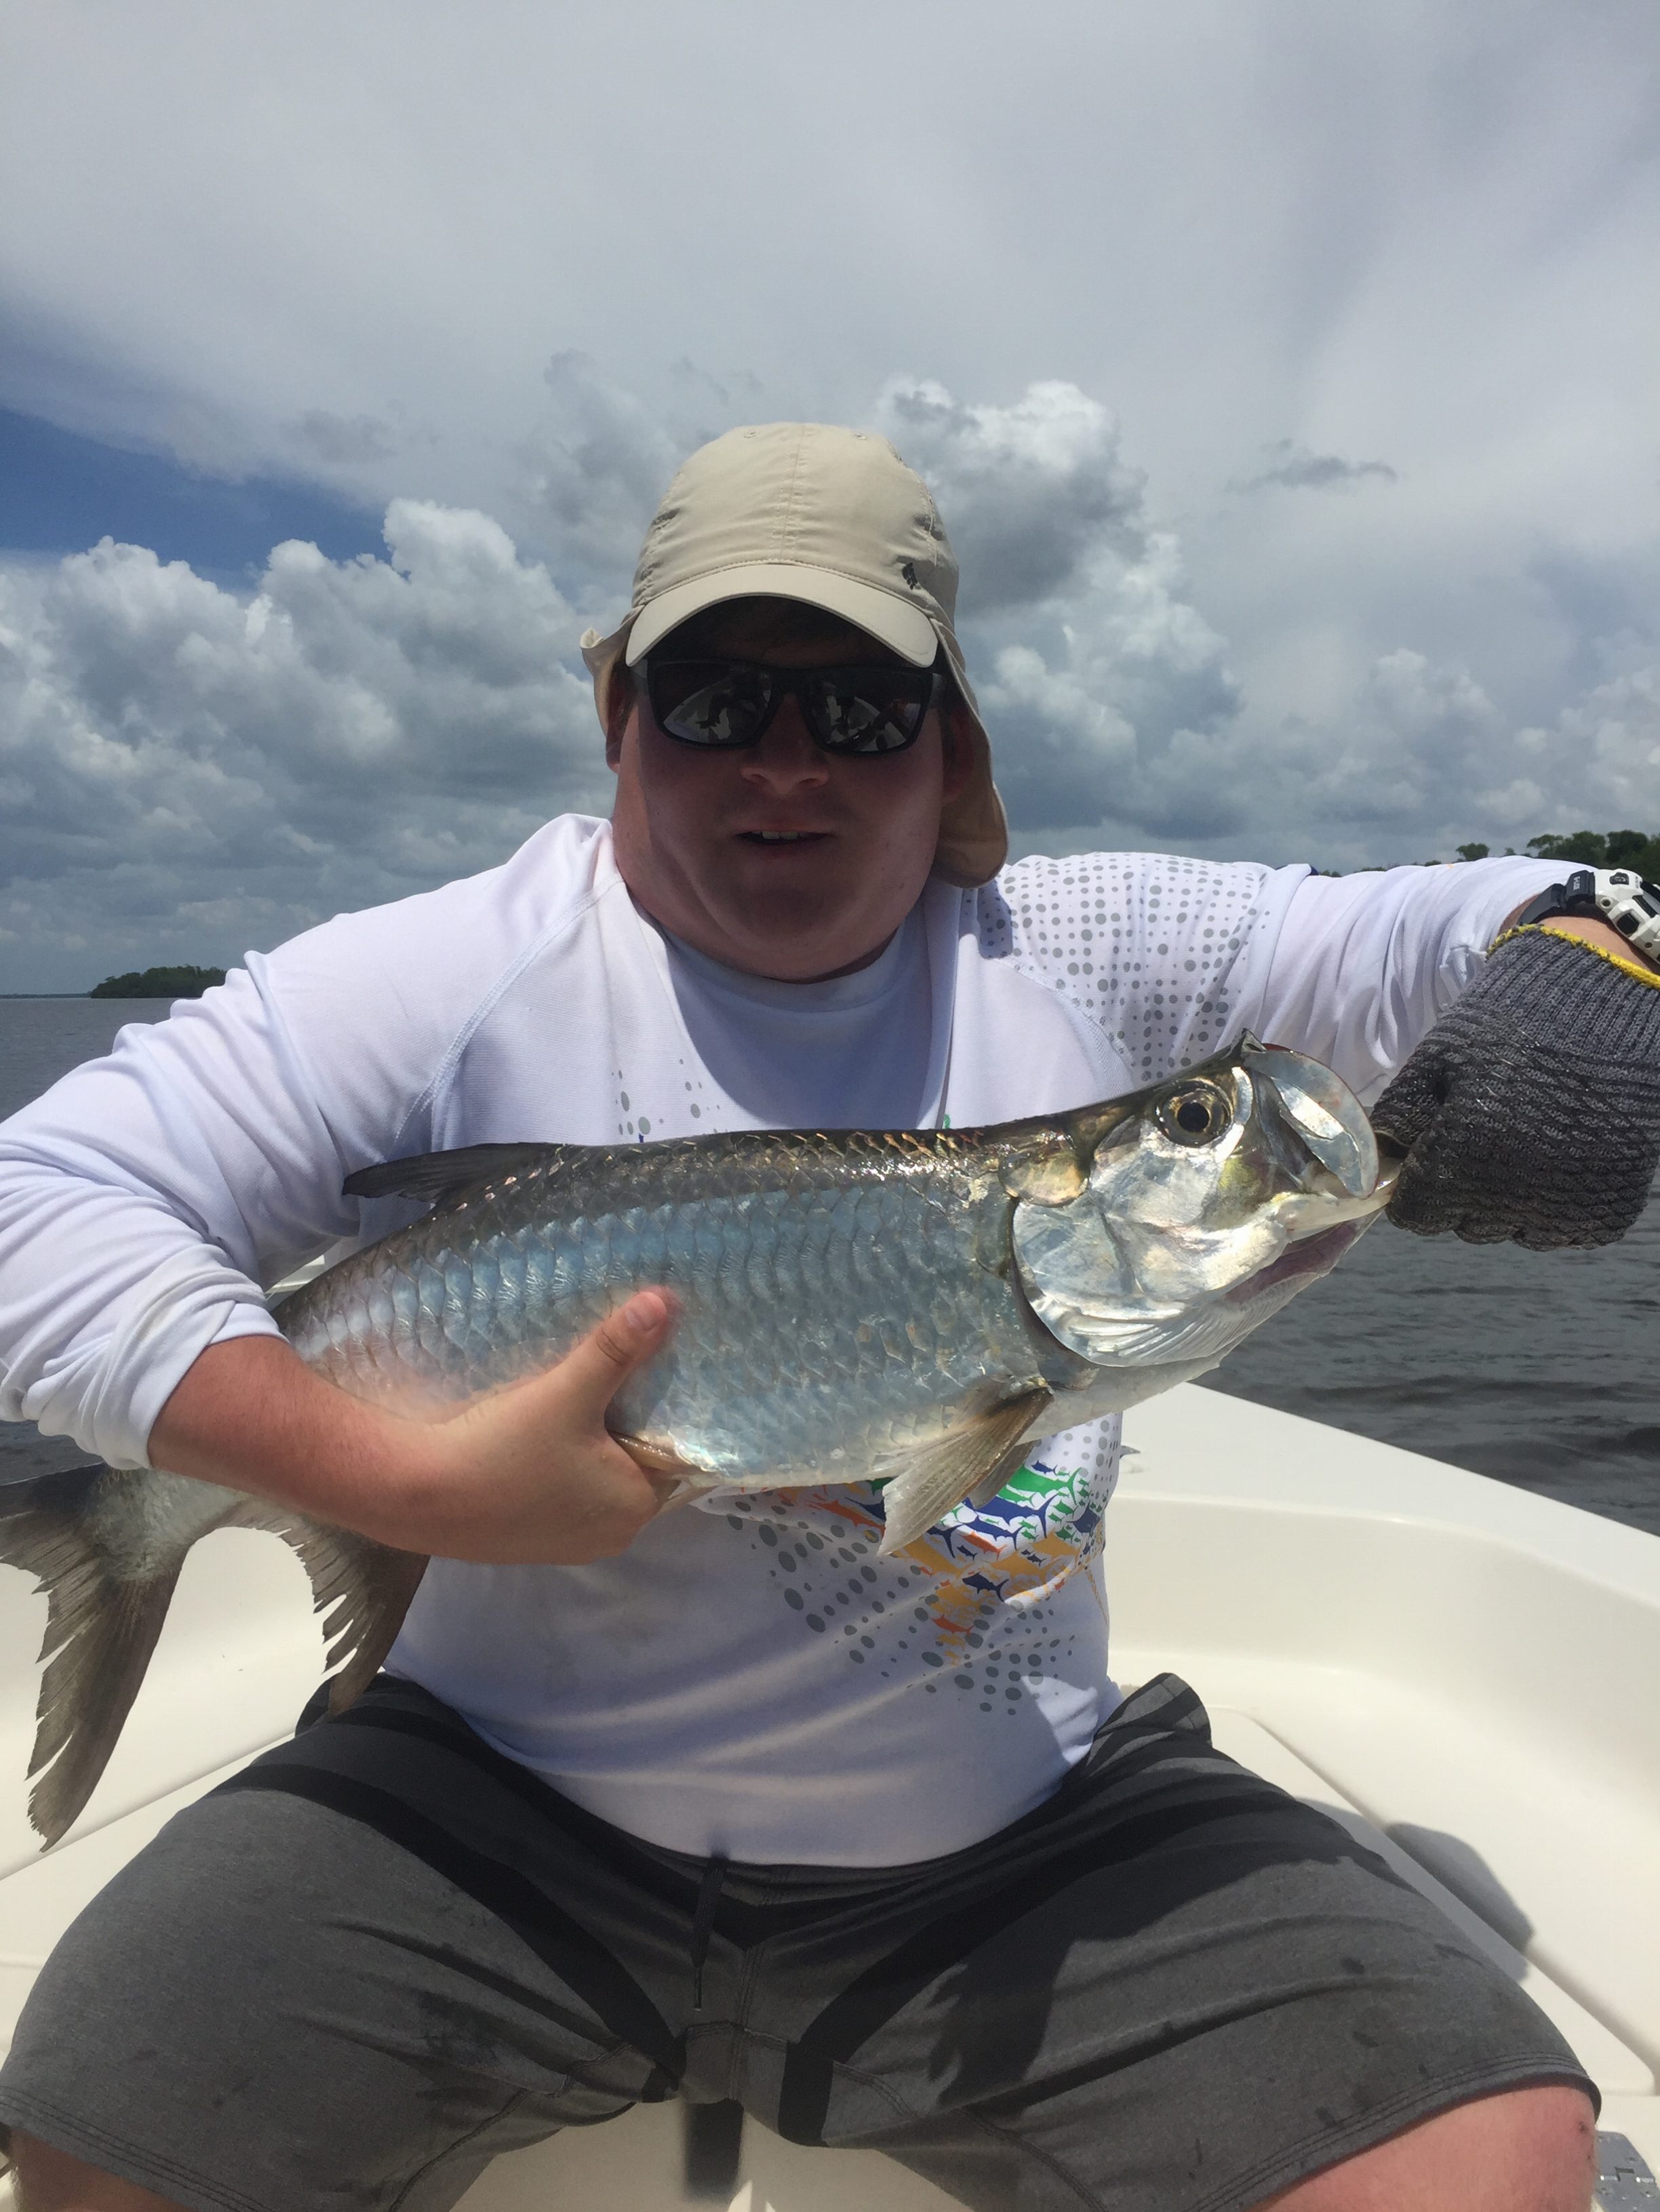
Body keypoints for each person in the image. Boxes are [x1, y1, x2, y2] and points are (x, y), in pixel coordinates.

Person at [1, 420, 1654, 2212]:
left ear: (952, 742)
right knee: (95, 2139)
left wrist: (1596, 972)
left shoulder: (1094, 944)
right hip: (491, 1813)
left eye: (859, 708)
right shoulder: (446, 970)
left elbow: (1518, 914)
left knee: (1494, 2157)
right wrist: (398, 1486)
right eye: (718, 699)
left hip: (1019, 1837)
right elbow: (37, 1203)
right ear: (621, 717)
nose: (784, 765)